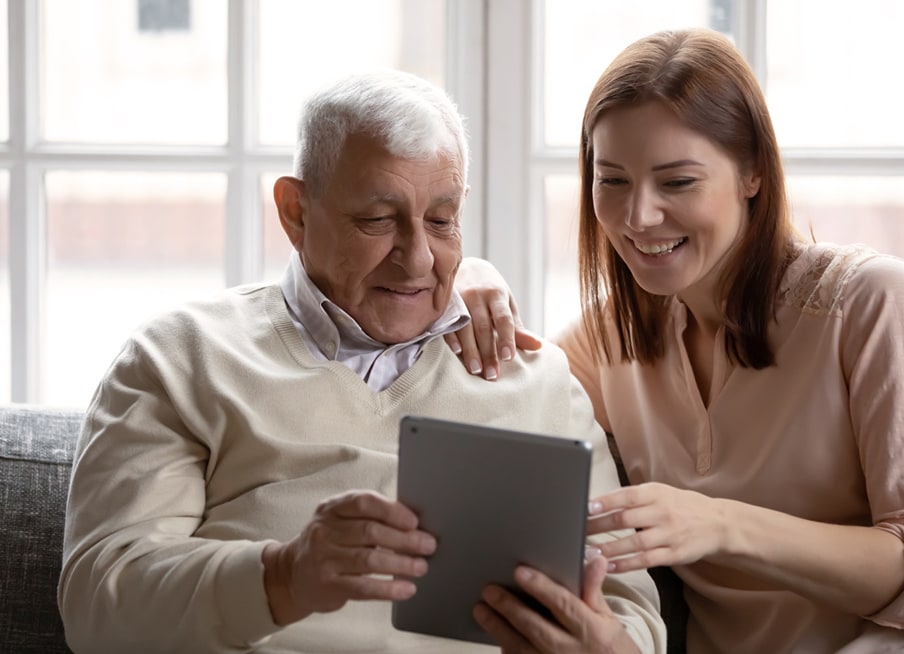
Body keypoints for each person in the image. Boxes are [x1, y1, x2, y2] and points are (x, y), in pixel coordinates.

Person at [57, 69, 667, 654]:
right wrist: (283, 576)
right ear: (295, 212)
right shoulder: (181, 358)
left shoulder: (540, 384)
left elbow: (631, 611)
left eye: (441, 219)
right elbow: (98, 603)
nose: (419, 259)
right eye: (377, 220)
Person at [448, 28, 904, 653]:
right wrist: (464, 272)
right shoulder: (611, 335)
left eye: (677, 183)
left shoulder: (872, 304)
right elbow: (491, 392)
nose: (637, 216)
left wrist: (719, 524)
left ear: (752, 171)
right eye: (612, 180)